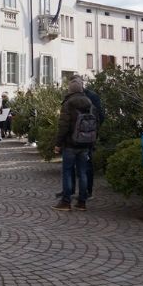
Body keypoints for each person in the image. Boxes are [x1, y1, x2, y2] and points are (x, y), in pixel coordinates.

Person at [53, 78, 95, 211]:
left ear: (70, 90)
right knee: (83, 172)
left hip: (71, 143)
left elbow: (63, 125)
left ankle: (66, 201)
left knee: (67, 172)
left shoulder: (68, 103)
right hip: (85, 141)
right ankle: (82, 202)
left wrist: (58, 143)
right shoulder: (89, 102)